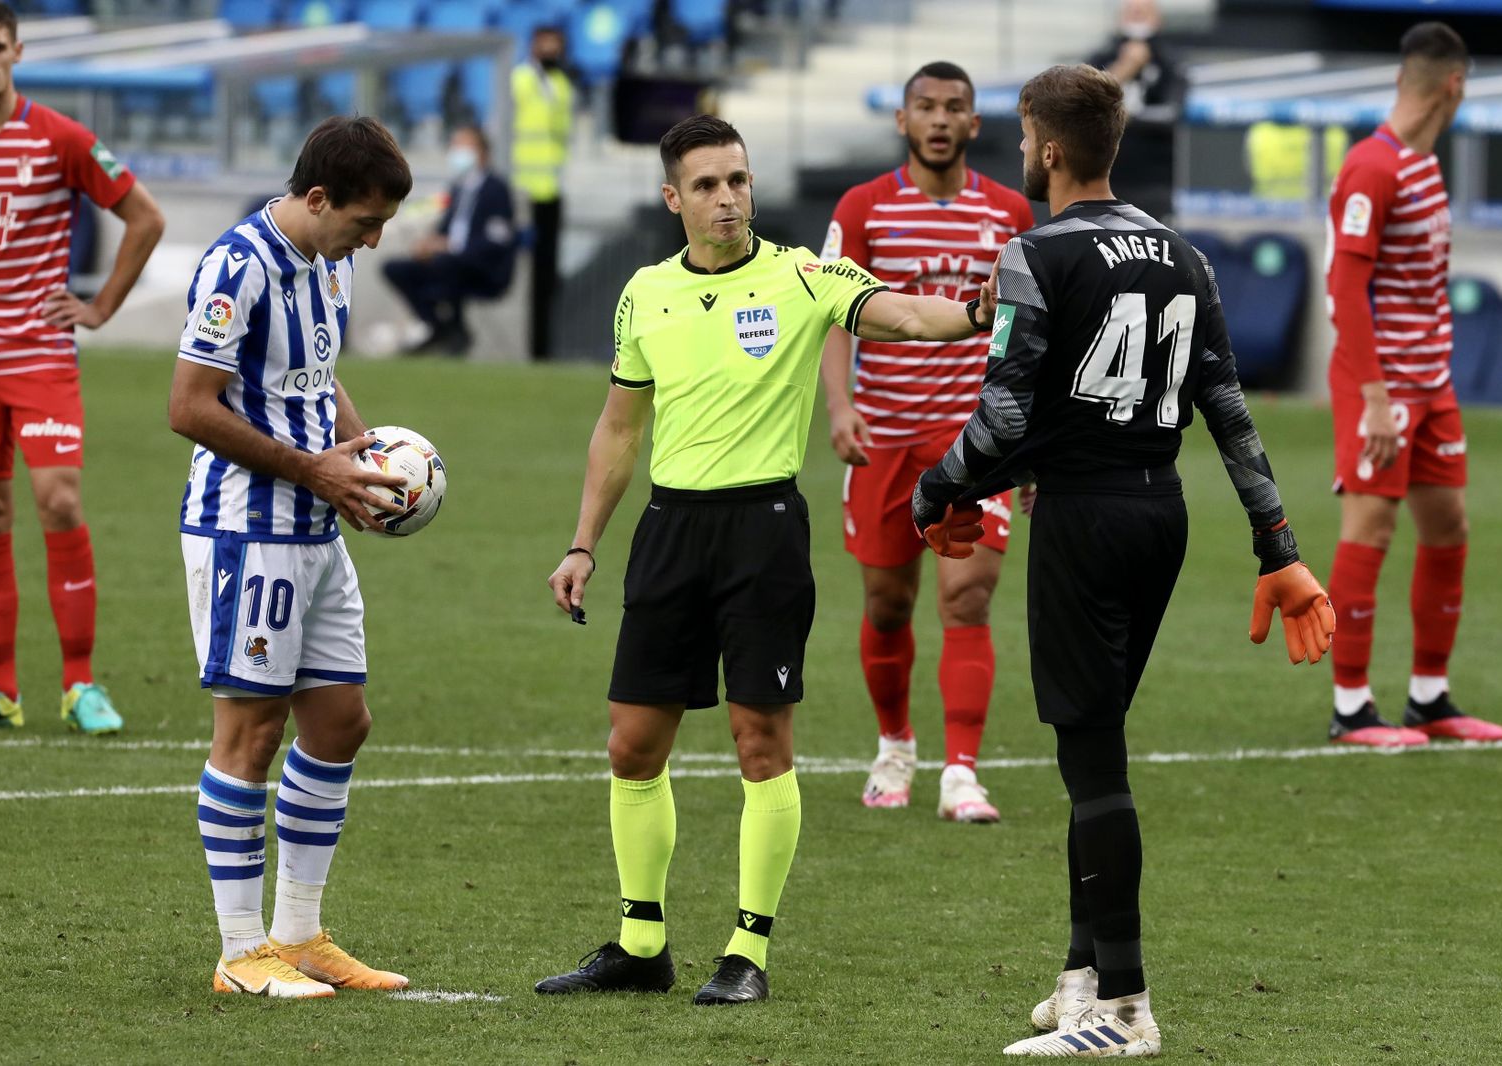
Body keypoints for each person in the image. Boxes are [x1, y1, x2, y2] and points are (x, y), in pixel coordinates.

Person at [909, 65, 1335, 1057]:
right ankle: (1082, 975)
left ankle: (1127, 1008)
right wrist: (1277, 544)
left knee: (1092, 759)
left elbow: (1004, 417)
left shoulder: (1034, 252)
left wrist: (937, 491)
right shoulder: (1186, 255)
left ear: (1051, 148)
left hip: (1084, 520)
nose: (1022, 152)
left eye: (1025, 138)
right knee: (1092, 744)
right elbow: (1228, 411)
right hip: (1160, 515)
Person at [537, 114, 1002, 1006]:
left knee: (761, 741)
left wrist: (977, 311)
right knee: (632, 744)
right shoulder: (644, 292)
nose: (728, 198)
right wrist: (583, 542)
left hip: (764, 533)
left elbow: (907, 315)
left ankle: (747, 951)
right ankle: (641, 944)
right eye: (707, 185)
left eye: (738, 180)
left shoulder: (804, 275)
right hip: (669, 532)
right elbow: (620, 429)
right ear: (672, 198)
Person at [167, 116, 415, 999]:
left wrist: (366, 451)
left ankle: (300, 936)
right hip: (247, 527)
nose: (373, 240)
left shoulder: (330, 261)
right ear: (317, 198)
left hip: (317, 524)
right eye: (364, 221)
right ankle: (240, 952)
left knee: (341, 722)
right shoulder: (236, 267)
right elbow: (189, 406)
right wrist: (314, 468)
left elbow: (316, 369)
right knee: (251, 733)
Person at [819, 60, 1035, 823]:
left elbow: (1031, 329)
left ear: (974, 124)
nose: (939, 120)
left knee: (967, 597)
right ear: (902, 120)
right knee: (887, 605)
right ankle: (895, 746)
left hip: (975, 439)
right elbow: (833, 313)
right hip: (882, 436)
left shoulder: (1010, 211)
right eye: (925, 107)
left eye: (953, 108)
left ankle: (961, 773)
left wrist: (1032, 440)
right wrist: (840, 407)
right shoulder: (864, 207)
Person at [0, 1, 164, 735]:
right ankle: (0, 691)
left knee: (59, 500)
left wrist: (100, 307)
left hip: (39, 357)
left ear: (17, 52)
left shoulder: (58, 137)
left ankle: (79, 685)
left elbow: (145, 216)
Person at [1322, 22, 1502, 748]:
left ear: (1407, 79)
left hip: (1432, 383)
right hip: (1383, 386)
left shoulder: (1424, 164)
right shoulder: (1372, 167)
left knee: (1449, 525)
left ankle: (1430, 696)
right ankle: (1351, 707)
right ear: (1455, 86)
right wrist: (1374, 396)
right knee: (1371, 527)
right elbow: (1345, 287)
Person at [383, 124, 516, 356]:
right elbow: (446, 231)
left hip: (480, 268)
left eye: (463, 145)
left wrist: (452, 248)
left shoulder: (496, 189)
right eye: (455, 145)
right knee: (395, 268)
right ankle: (437, 325)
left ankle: (455, 330)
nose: (456, 151)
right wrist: (429, 244)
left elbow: (496, 240)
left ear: (482, 152)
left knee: (445, 264)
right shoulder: (458, 189)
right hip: (447, 261)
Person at [1083, 0, 1184, 223]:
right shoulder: (1101, 57)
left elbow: (1172, 112)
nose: (1137, 16)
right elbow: (1084, 103)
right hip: (1104, 175)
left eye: (1143, 12)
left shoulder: (1169, 61)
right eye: (1131, 12)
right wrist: (1125, 68)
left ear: (1158, 19)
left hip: (1153, 178)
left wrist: (1126, 117)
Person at [512, 25, 573, 360]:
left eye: (556, 46)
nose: (551, 52)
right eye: (546, 45)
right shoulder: (519, 81)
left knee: (547, 276)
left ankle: (542, 350)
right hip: (524, 191)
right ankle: (528, 348)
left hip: (551, 191)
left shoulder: (562, 84)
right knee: (527, 276)